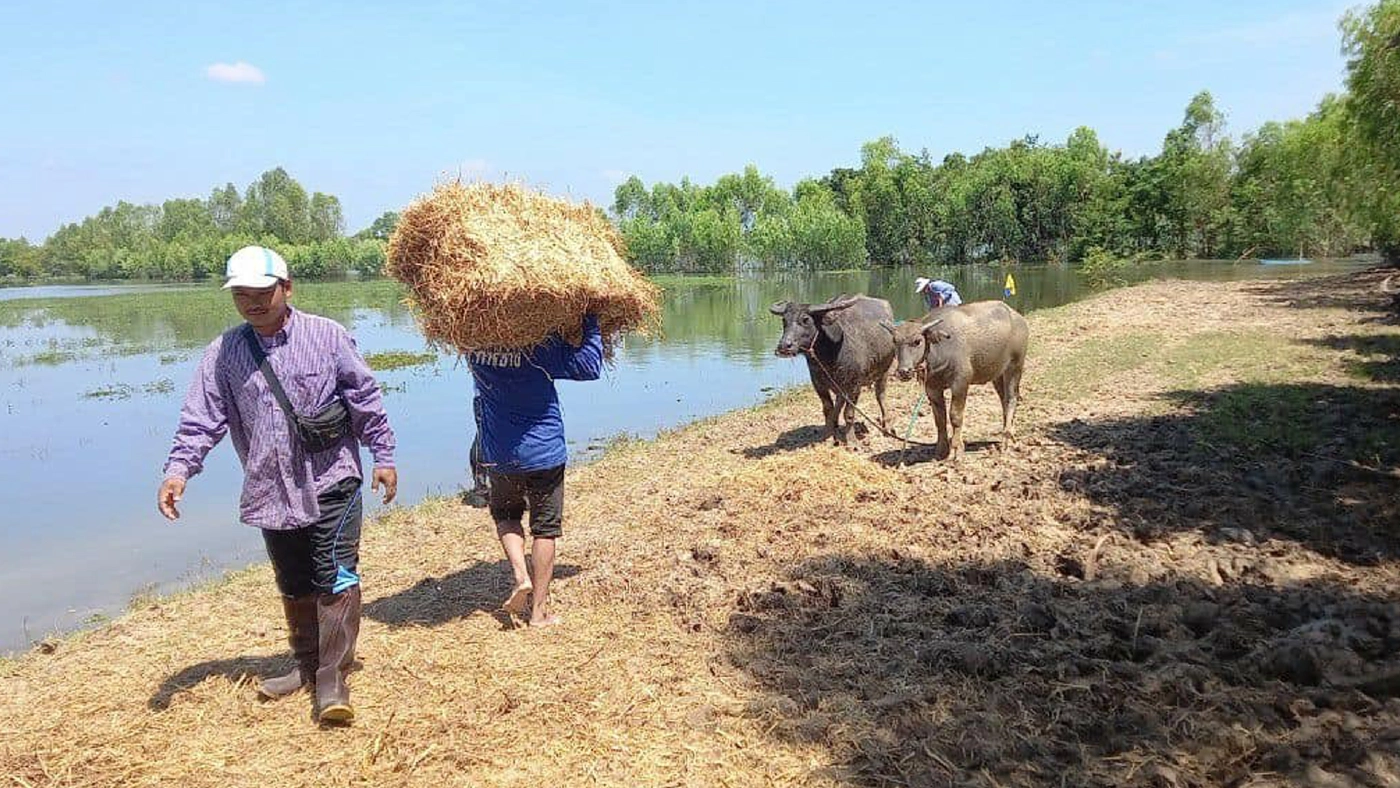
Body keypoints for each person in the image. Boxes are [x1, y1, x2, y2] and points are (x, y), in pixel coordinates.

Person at [157, 245, 397, 725]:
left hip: (332, 479)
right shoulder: (224, 353)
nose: (253, 303)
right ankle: (307, 666)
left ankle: (332, 678)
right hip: (271, 487)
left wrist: (383, 454)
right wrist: (179, 470)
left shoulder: (327, 336)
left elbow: (364, 397)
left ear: (286, 288)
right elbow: (202, 417)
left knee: (335, 574)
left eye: (262, 292)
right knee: (293, 582)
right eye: (241, 295)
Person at [468, 314, 602, 627]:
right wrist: (591, 322)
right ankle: (538, 611)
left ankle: (519, 574)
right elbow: (590, 366)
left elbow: (455, 328)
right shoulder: (540, 348)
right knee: (545, 529)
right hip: (545, 453)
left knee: (506, 517)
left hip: (500, 454)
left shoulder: (475, 348)